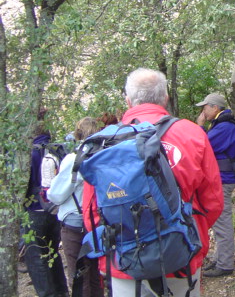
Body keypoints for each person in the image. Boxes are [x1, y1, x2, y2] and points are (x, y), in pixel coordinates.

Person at [83, 68, 224, 296]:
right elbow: (213, 201)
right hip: (181, 255)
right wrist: (187, 230)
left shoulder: (103, 143)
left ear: (128, 101)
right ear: (165, 98)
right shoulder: (192, 134)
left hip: (125, 261)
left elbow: (91, 211)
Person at [47, 117, 103, 297]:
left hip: (75, 224)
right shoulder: (102, 156)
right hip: (98, 223)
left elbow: (56, 194)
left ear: (77, 133)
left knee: (79, 277)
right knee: (95, 276)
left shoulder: (74, 159)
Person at [24, 109, 69, 297]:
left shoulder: (29, 153)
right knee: (52, 253)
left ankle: (48, 294)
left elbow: (23, 185)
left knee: (36, 259)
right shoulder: (58, 149)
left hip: (35, 210)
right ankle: (61, 291)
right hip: (55, 209)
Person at [195, 92, 235, 278]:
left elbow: (201, 145)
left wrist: (199, 126)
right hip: (221, 179)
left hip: (223, 180)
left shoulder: (225, 127)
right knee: (218, 220)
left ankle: (225, 264)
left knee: (222, 221)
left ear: (215, 108)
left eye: (205, 107)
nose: (203, 111)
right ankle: (220, 258)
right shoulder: (222, 124)